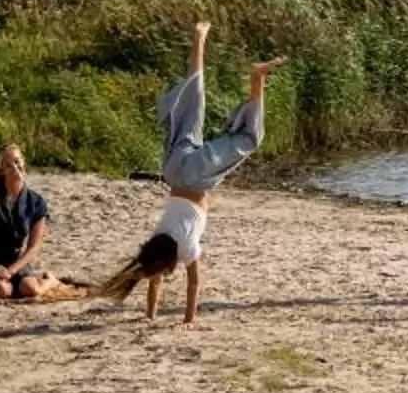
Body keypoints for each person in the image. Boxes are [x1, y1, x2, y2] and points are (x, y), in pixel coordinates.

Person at [94, 21, 283, 325]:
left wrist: (188, 321)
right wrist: (150, 314)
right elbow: (153, 277)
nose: (162, 276)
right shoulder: (157, 240)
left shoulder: (184, 249)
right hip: (173, 169)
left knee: (250, 139)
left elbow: (193, 283)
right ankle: (199, 37)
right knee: (192, 102)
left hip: (196, 177)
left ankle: (257, 77)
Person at [0, 143, 73, 300]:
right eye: (8, 165)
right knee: (1, 290)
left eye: (17, 161)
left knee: (31, 288)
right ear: (0, 171)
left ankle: (50, 281)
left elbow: (33, 248)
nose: (15, 167)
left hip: (16, 263)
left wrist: (11, 271)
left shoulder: (36, 202)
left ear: (24, 163)